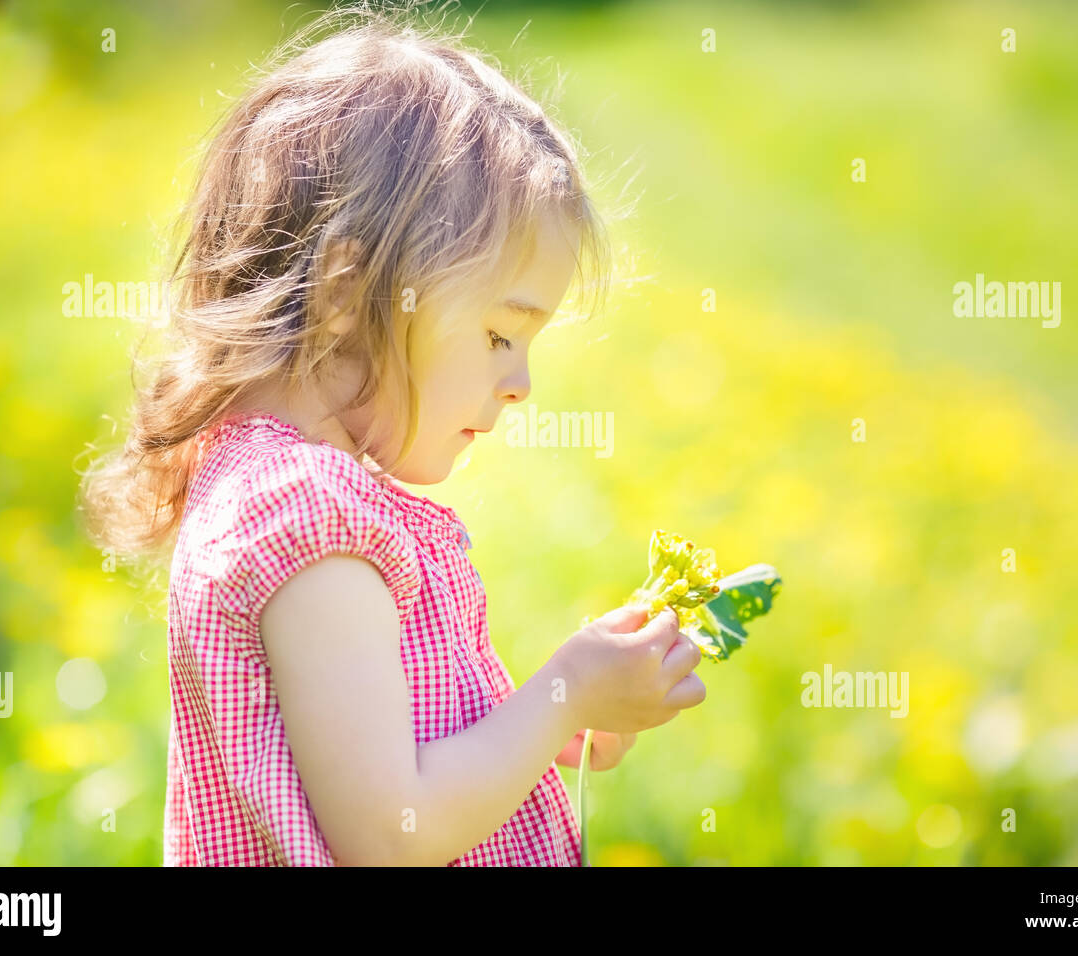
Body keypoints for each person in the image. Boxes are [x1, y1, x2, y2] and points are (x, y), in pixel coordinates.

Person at [81, 3, 706, 866]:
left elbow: (386, 754)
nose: (520, 383)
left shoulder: (280, 493)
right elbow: (387, 831)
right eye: (499, 334)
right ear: (346, 292)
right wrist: (561, 694)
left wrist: (543, 726)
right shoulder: (307, 522)